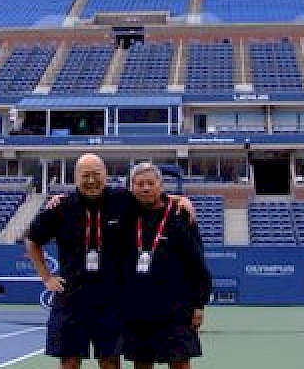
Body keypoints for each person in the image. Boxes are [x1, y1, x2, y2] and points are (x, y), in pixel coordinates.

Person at [25, 154, 197, 369]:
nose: (91, 181)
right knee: (69, 363)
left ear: (106, 175)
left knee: (110, 362)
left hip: (111, 301)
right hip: (71, 299)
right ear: (75, 177)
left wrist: (180, 200)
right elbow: (32, 241)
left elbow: (151, 197)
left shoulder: (121, 199)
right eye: (85, 175)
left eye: (96, 174)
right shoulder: (61, 206)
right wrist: (46, 277)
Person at [121, 162, 212, 369]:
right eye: (140, 184)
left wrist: (199, 304)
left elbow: (197, 262)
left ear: (161, 186)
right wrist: (61, 196)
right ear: (132, 187)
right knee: (142, 364)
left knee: (180, 363)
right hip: (138, 308)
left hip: (177, 308)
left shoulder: (181, 214)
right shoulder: (125, 214)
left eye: (150, 183)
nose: (145, 188)